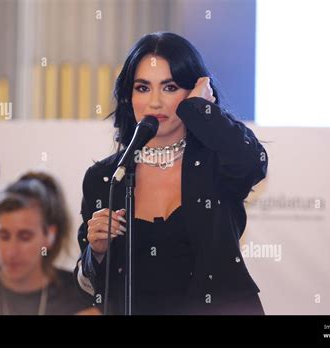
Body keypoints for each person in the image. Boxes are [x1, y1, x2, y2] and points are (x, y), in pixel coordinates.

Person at [75, 32, 268, 315]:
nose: (155, 102)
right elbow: (88, 287)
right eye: (142, 88)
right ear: (129, 97)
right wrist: (97, 252)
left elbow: (253, 162)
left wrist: (202, 110)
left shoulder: (216, 163)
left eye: (169, 87)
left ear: (192, 92)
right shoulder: (106, 177)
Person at [0, 172, 92, 315]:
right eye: (4, 236)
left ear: (50, 235)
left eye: (24, 237)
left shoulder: (81, 297)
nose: (11, 251)